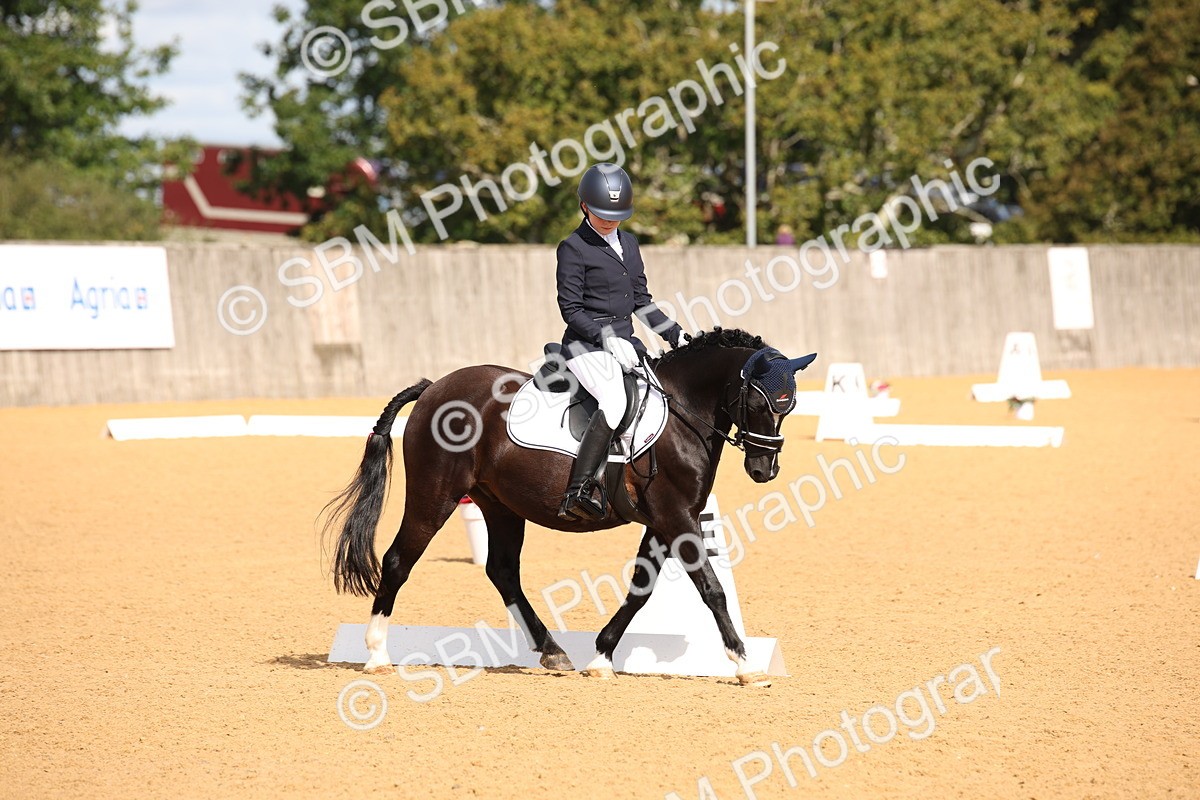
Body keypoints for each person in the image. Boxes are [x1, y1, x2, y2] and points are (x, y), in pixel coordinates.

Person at [555, 163, 684, 521]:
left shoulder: (629, 243)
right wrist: (606, 338)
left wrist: (675, 333)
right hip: (585, 345)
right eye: (602, 213)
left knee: (660, 397)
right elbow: (570, 308)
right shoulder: (573, 247)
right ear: (584, 206)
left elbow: (641, 300)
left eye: (616, 215)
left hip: (627, 343)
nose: (610, 220)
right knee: (613, 401)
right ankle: (577, 490)